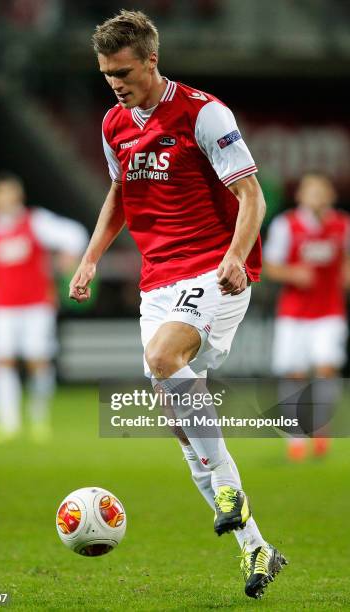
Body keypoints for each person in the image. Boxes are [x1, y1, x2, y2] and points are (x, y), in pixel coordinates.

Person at [69, 10, 286, 599]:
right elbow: (120, 193)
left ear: (150, 61)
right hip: (156, 279)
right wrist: (90, 258)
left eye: (123, 71)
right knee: (183, 427)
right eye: (106, 73)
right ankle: (257, 548)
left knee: (161, 363)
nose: (114, 81)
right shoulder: (114, 123)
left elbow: (251, 196)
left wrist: (237, 257)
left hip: (215, 266)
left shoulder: (203, 113)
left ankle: (230, 494)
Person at [0, 171, 88, 443]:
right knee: (2, 360)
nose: (4, 198)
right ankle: (8, 423)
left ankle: (39, 419)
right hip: (2, 308)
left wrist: (70, 254)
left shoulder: (36, 221)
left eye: (9, 192)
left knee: (37, 361)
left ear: (18, 195)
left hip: (37, 305)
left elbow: (74, 234)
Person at [264, 172, 350, 460]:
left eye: (322, 191)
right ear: (300, 195)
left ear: (331, 196)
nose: (317, 196)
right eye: (311, 191)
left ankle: (321, 429)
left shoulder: (342, 225)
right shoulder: (286, 224)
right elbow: (269, 265)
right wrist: (292, 273)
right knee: (295, 373)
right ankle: (296, 438)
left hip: (329, 311)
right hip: (294, 314)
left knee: (326, 368)